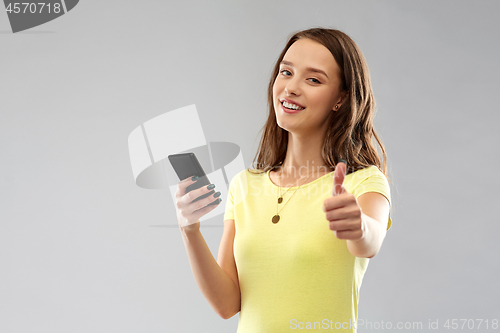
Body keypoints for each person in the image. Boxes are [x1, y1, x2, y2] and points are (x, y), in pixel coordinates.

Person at [175, 27, 392, 333]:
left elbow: (368, 243)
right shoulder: (245, 185)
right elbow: (226, 305)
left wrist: (358, 226)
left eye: (313, 79)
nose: (290, 87)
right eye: (285, 72)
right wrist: (190, 230)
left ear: (341, 98)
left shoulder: (364, 182)